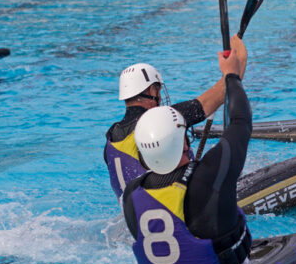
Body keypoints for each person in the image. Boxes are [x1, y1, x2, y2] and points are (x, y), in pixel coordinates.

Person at [121, 48, 252, 264]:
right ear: (183, 142)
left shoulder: (131, 194)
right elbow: (241, 123)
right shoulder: (210, 174)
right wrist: (232, 76)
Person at [104, 35, 248, 200]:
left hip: (136, 215)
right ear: (152, 91)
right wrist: (240, 62)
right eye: (157, 90)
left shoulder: (111, 136)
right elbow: (220, 94)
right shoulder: (163, 121)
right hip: (178, 207)